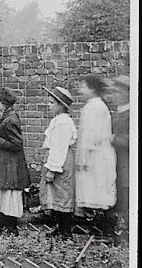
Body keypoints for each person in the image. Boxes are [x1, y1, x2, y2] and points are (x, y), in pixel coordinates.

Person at [0, 87, 31, 236]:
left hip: (10, 165)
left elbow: (17, 144)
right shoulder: (4, 116)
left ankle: (11, 228)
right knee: (4, 194)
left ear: (3, 102)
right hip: (4, 162)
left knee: (9, 194)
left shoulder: (11, 119)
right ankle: (3, 224)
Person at [75, 74, 116, 234]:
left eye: (83, 86)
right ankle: (97, 222)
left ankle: (106, 225)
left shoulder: (96, 107)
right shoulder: (92, 106)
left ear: (92, 89)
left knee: (100, 188)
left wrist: (84, 157)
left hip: (96, 155)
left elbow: (93, 136)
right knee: (94, 188)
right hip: (93, 153)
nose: (80, 90)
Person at [38, 87, 77, 241]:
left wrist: (52, 169)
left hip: (61, 161)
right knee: (57, 194)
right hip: (57, 159)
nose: (49, 105)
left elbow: (60, 148)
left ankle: (66, 231)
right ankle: (60, 228)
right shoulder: (58, 120)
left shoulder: (63, 123)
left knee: (63, 194)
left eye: (51, 102)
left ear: (61, 105)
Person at [106, 75, 130, 232]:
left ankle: (127, 227)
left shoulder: (130, 114)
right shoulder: (117, 113)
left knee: (127, 192)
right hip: (115, 162)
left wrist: (113, 139)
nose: (113, 95)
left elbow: (131, 140)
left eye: (117, 92)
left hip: (127, 163)